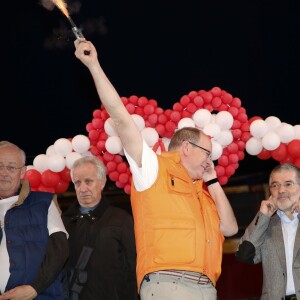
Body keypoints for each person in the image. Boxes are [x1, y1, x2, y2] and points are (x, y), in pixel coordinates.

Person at [73, 39, 238, 300]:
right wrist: (94, 65)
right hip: (169, 284)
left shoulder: (203, 193)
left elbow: (230, 229)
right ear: (186, 148)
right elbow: (121, 118)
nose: (211, 159)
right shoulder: (153, 169)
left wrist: (214, 182)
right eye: (207, 152)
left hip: (206, 286)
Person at [62, 155, 139, 300]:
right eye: (77, 183)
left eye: (88, 181)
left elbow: (132, 267)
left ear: (102, 182)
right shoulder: (63, 222)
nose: (82, 188)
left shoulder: (121, 220)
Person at [0, 141, 69, 300]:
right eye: (0, 166)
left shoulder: (44, 203)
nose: (4, 172)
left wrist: (34, 288)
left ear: (23, 171)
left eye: (11, 167)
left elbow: (60, 249)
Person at [236, 163, 300, 300]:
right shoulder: (266, 225)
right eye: (275, 185)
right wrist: (263, 215)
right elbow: (244, 255)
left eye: (288, 184)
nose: (281, 190)